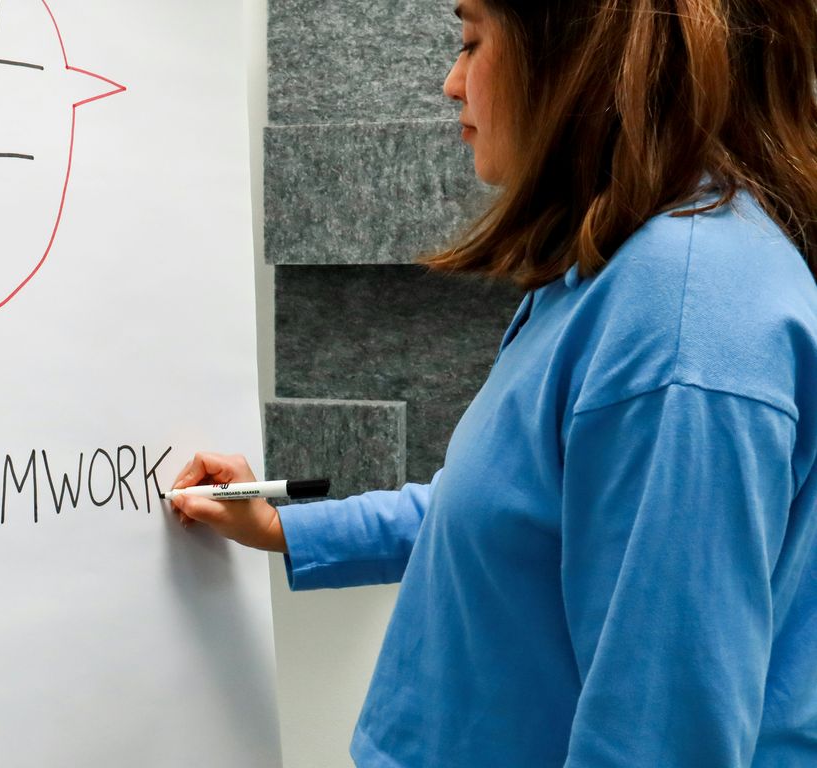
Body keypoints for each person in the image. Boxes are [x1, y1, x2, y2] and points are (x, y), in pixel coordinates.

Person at [169, 0, 817, 765]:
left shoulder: (682, 317)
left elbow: (659, 740)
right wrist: (284, 529)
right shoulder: (615, 271)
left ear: (581, 48)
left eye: (472, 41)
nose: (452, 82)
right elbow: (505, 512)